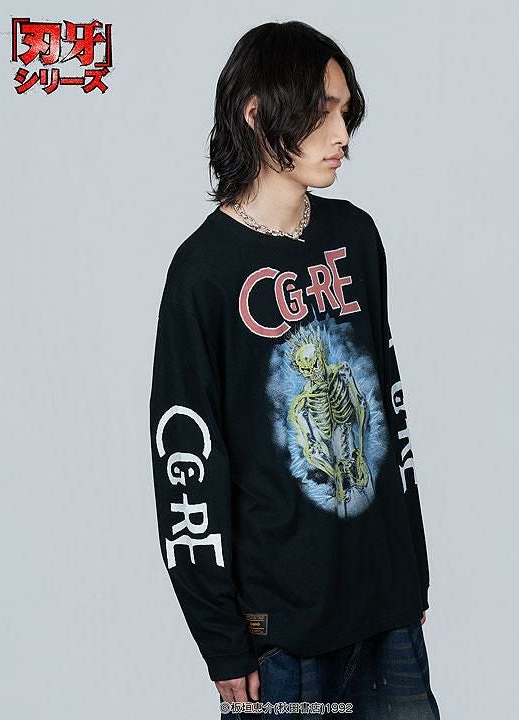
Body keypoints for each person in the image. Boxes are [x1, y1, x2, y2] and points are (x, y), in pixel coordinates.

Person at [149, 20, 440, 720]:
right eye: (323, 112)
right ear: (256, 113)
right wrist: (222, 638)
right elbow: (186, 457)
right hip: (280, 637)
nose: (343, 134)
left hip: (385, 610)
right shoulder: (203, 272)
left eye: (346, 112)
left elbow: (389, 405)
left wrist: (412, 567)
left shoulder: (354, 236)